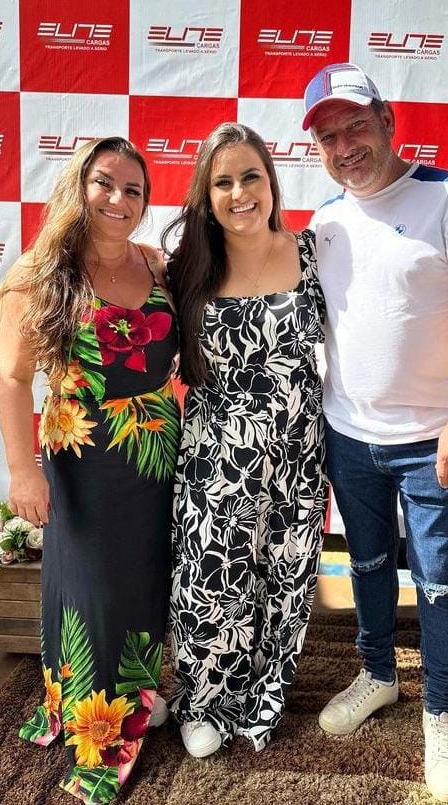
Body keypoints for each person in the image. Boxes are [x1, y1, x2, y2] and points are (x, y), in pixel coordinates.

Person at [302, 63, 448, 803]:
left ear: (388, 121)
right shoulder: (324, 221)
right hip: (347, 435)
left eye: (356, 126)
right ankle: (379, 675)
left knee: (439, 580)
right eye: (328, 137)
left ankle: (440, 709)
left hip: (433, 442)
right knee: (365, 565)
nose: (345, 146)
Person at [0, 137, 180, 804]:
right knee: (91, 590)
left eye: (134, 190)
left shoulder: (155, 263)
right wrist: (23, 472)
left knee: (142, 582)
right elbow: (13, 381)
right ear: (79, 186)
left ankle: (133, 695)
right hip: (82, 457)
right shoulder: (39, 273)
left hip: (155, 455)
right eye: (105, 183)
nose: (118, 199)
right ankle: (99, 737)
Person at [163, 122, 327, 758]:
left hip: (298, 453)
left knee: (286, 578)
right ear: (206, 197)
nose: (239, 193)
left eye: (250, 176)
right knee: (212, 579)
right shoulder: (184, 270)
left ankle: (263, 696)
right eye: (223, 182)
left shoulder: (311, 253)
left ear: (271, 181)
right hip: (216, 454)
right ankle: (205, 701)